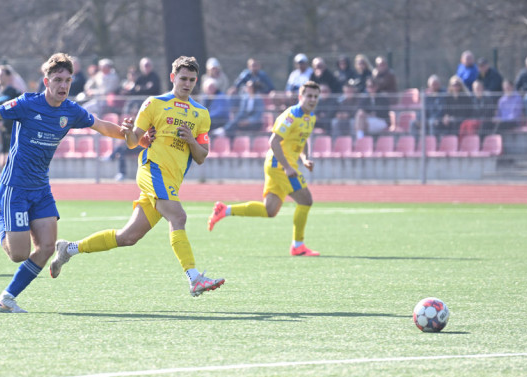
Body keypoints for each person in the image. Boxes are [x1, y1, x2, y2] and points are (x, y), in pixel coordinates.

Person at [0, 52, 130, 313]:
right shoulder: (26, 104)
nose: (63, 86)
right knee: (18, 254)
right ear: (46, 82)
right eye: (58, 79)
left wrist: (128, 135)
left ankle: (6, 299)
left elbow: (102, 126)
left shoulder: (71, 110)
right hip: (15, 187)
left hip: (41, 188)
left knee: (45, 248)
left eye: (68, 80)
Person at [48, 56, 224, 298]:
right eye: (183, 78)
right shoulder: (154, 103)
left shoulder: (201, 113)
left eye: (192, 80)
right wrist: (130, 132)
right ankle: (194, 279)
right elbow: (133, 142)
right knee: (178, 216)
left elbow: (202, 155)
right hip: (152, 170)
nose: (187, 84)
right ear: (173, 78)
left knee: (128, 237)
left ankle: (68, 249)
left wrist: (191, 140)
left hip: (172, 180)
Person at [208, 81, 322, 257]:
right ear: (301, 97)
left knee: (270, 211)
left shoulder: (310, 117)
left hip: (281, 166)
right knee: (306, 200)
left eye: (315, 96)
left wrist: (305, 158)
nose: (312, 99)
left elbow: (303, 139)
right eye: (309, 96)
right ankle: (298, 245)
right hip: (280, 166)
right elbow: (274, 142)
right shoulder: (291, 116)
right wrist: (287, 167)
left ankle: (225, 210)